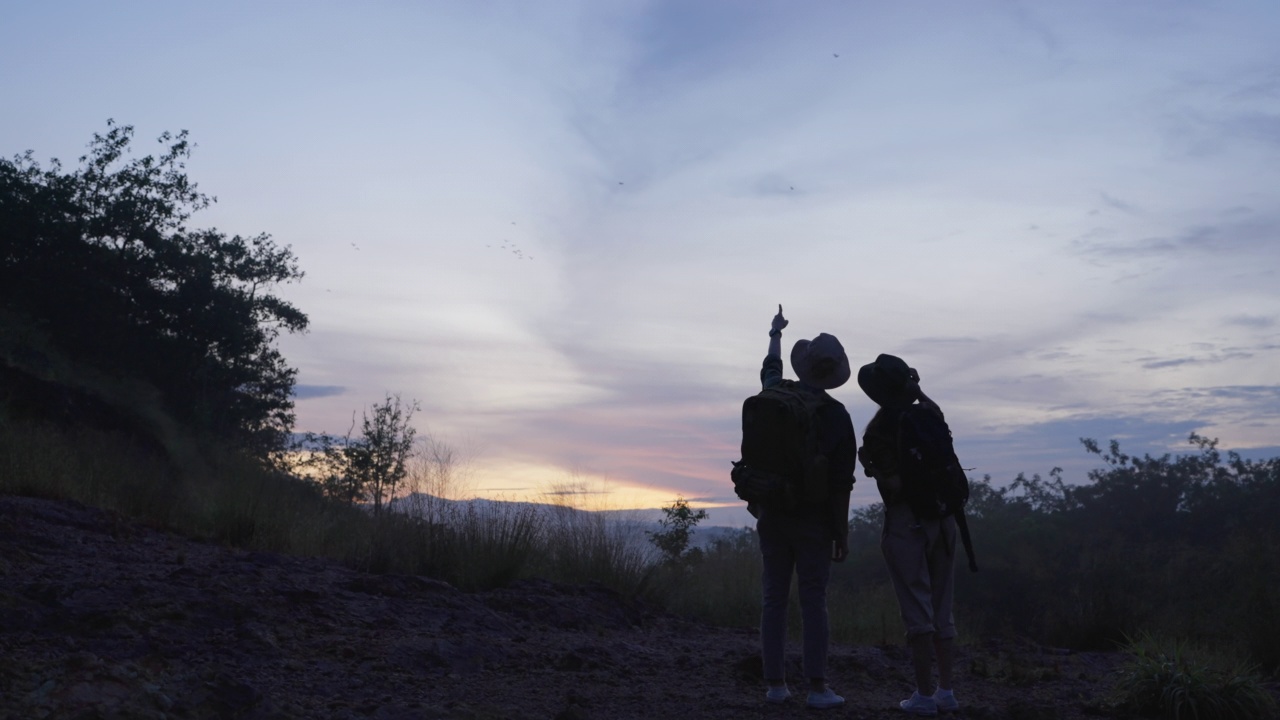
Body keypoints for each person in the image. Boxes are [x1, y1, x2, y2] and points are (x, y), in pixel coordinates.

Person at [755, 305, 857, 710]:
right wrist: (841, 532)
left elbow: (769, 370)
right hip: (813, 520)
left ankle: (776, 685)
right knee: (813, 600)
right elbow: (841, 482)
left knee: (773, 598)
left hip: (772, 511)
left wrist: (775, 333)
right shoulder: (836, 415)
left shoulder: (776, 396)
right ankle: (817, 688)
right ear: (832, 375)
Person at [856, 353, 961, 716]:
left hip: (907, 524)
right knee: (943, 608)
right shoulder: (930, 414)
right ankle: (947, 691)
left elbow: (896, 487)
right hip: (945, 521)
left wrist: (869, 464)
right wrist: (920, 391)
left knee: (917, 609)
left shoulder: (877, 431)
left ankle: (923, 695)